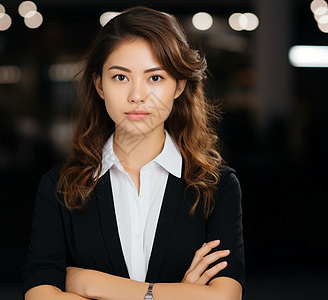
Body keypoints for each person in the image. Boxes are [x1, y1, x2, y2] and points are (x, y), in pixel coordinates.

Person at [22, 6, 245, 300]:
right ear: (99, 84)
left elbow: (225, 296)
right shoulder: (58, 188)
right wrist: (181, 294)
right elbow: (39, 295)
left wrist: (92, 285)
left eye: (155, 78)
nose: (137, 95)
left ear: (178, 86)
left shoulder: (216, 187)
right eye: (120, 77)